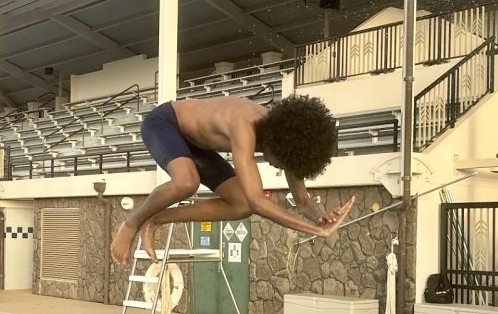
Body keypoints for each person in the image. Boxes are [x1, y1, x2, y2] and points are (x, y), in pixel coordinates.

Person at [110, 94, 354, 265]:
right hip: (165, 123)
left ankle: (157, 220)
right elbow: (259, 201)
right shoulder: (244, 125)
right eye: (281, 162)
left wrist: (322, 218)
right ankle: (131, 224)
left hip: (197, 143)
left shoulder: (286, 137)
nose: (279, 167)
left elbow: (301, 199)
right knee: (186, 182)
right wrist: (315, 231)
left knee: (241, 204)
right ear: (276, 144)